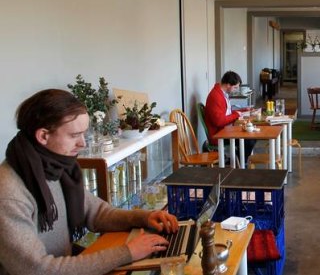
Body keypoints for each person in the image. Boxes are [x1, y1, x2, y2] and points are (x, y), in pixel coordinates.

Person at [0, 89, 180, 275]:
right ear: (43, 136)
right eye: (74, 135)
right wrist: (127, 253)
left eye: (83, 134)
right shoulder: (9, 193)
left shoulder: (54, 167)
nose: (82, 144)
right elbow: (38, 270)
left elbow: (98, 213)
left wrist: (144, 217)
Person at [205, 71, 256, 164]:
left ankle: (239, 161)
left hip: (225, 129)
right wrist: (237, 114)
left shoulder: (221, 93)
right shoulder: (215, 96)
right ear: (228, 84)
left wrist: (243, 110)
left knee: (251, 135)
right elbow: (219, 121)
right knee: (250, 140)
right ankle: (241, 163)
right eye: (235, 87)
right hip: (219, 134)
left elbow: (226, 113)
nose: (236, 90)